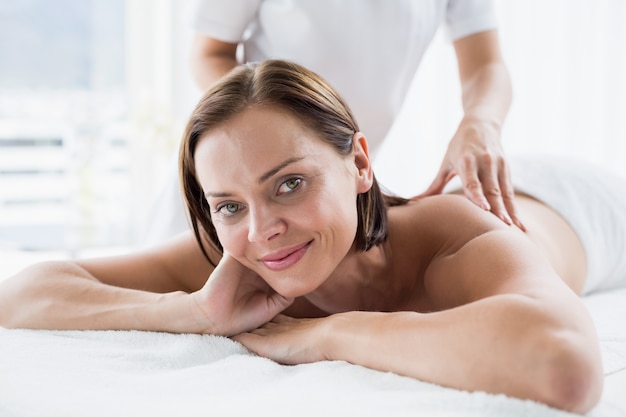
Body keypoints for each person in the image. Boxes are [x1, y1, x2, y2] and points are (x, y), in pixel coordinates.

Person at [3, 59, 626, 413]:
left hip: (584, 202)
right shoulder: (244, 250)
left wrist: (326, 333)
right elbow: (25, 294)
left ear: (360, 163)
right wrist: (193, 309)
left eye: (289, 185)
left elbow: (564, 365)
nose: (262, 230)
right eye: (227, 205)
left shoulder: (453, 238)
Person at [153, 0, 521, 241]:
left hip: (328, 186)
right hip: (241, 185)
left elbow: (486, 64)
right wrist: (285, 133)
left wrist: (480, 123)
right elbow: (208, 54)